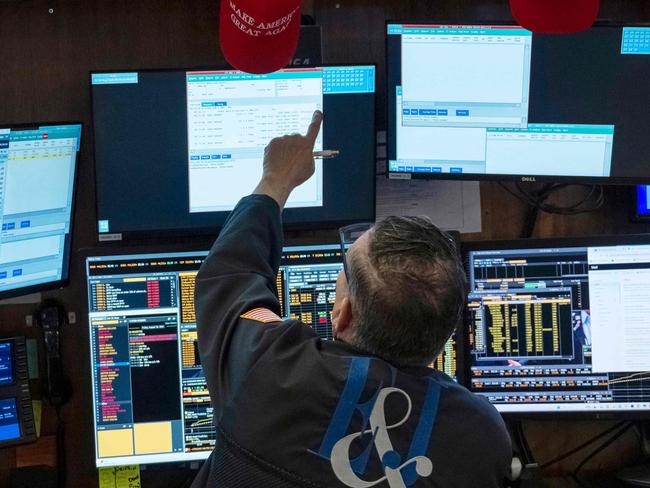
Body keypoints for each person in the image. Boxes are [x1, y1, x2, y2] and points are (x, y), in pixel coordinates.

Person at [190, 111, 512, 488]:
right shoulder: (481, 434)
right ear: (443, 337)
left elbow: (229, 275)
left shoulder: (268, 367)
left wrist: (276, 179)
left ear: (342, 315)